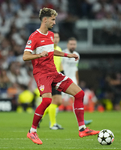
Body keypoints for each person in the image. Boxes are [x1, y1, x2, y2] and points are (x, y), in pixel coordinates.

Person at [23, 7, 100, 145]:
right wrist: (39, 55)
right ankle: (32, 132)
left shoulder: (51, 35)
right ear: (45, 20)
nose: (54, 22)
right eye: (52, 19)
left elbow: (52, 52)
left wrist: (67, 55)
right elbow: (25, 56)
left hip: (53, 72)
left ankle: (82, 129)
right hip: (41, 74)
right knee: (47, 101)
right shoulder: (34, 37)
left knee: (79, 94)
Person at [62, 37, 92, 125]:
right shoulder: (62, 54)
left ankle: (82, 121)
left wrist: (77, 81)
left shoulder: (77, 54)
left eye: (74, 44)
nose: (72, 46)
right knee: (55, 101)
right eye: (71, 44)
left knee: (77, 98)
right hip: (63, 80)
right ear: (67, 44)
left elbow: (75, 69)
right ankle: (42, 117)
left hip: (73, 80)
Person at [41, 31, 64, 130]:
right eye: (54, 37)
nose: (56, 39)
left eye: (57, 37)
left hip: (58, 78)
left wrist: (64, 74)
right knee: (54, 101)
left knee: (57, 102)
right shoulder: (47, 50)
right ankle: (52, 124)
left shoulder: (58, 49)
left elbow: (60, 64)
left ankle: (39, 117)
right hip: (49, 78)